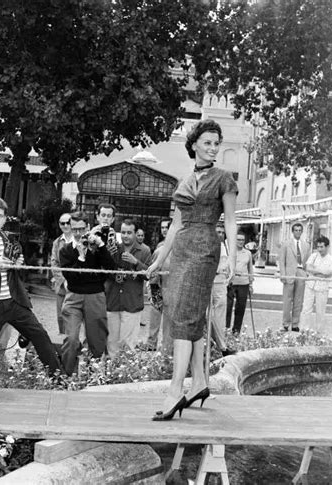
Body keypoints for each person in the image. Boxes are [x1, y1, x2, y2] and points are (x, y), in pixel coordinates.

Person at [147, 119, 237, 420]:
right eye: (208, 143)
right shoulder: (184, 181)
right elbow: (175, 224)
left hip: (204, 250)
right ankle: (199, 382)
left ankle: (175, 392)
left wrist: (234, 258)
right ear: (195, 144)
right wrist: (159, 261)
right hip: (183, 250)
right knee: (188, 314)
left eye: (216, 143)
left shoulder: (224, 178)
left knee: (184, 316)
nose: (213, 148)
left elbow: (232, 221)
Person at [0, 197, 62, 386]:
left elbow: (18, 268)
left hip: (14, 301)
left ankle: (60, 379)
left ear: (5, 218)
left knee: (40, 335)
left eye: (0, 216)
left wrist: (18, 265)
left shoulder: (11, 240)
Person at [59, 211, 116, 375]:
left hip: (95, 296)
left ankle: (93, 377)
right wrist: (81, 258)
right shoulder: (66, 251)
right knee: (71, 339)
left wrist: (101, 246)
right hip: (73, 296)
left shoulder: (97, 249)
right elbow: (69, 276)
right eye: (75, 229)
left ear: (88, 228)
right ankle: (67, 376)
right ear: (70, 228)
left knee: (97, 341)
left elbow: (111, 270)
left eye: (82, 229)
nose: (78, 234)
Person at [105, 218, 151, 355]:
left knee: (127, 346)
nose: (126, 235)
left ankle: (124, 375)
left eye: (129, 233)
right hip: (113, 301)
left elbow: (149, 274)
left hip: (131, 303)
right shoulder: (113, 248)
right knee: (111, 343)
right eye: (123, 232)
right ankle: (111, 373)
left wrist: (135, 262)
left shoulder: (144, 250)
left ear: (135, 233)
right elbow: (104, 271)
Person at [301, 235, 332, 332]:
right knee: (306, 309)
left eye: (321, 247)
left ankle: (319, 332)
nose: (319, 249)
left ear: (327, 247)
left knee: (320, 311)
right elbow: (308, 268)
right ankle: (304, 330)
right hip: (310, 285)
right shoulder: (313, 256)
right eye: (318, 247)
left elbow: (330, 273)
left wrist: (315, 271)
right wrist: (321, 272)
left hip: (322, 288)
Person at [209, 223, 236, 356]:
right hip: (211, 282)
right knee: (210, 315)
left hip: (221, 283)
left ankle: (221, 345)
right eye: (217, 232)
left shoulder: (224, 246)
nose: (220, 234)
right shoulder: (210, 246)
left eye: (221, 232)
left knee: (219, 316)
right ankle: (219, 345)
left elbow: (227, 264)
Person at [279, 223, 311, 332]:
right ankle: (285, 324)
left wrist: (306, 273)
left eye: (299, 230)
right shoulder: (286, 244)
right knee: (287, 300)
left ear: (302, 232)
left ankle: (295, 324)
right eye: (296, 230)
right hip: (289, 273)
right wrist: (282, 274)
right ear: (292, 231)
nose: (298, 232)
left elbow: (308, 261)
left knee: (298, 300)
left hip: (301, 272)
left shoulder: (306, 245)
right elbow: (282, 260)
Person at [146, 218, 172, 351]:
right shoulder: (159, 248)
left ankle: (166, 348)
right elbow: (153, 270)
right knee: (155, 316)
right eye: (162, 228)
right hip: (157, 287)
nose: (164, 230)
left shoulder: (177, 247)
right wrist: (153, 289)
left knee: (168, 321)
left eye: (166, 227)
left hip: (171, 288)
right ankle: (151, 344)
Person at [226, 231, 254, 335]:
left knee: (240, 308)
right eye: (238, 239)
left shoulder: (248, 253)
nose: (241, 242)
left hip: (244, 283)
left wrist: (251, 284)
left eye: (242, 240)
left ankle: (236, 331)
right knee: (228, 307)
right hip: (231, 282)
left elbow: (250, 269)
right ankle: (226, 329)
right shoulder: (230, 251)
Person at [50, 213, 73, 334]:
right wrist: (63, 281)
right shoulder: (57, 242)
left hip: (77, 287)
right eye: (62, 223)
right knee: (61, 317)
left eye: (68, 222)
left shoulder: (79, 240)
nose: (65, 225)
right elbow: (54, 264)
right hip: (62, 287)